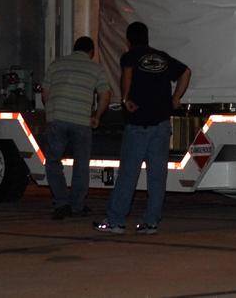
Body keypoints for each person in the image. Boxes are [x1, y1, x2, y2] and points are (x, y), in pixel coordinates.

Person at [95, 21, 190, 236]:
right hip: (162, 125)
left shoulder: (130, 56)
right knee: (157, 176)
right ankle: (151, 223)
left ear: (128, 41)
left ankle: (116, 221)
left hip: (138, 124)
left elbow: (127, 74)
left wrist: (126, 98)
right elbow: (186, 72)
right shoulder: (162, 57)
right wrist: (176, 98)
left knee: (129, 173)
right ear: (147, 38)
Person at [42, 36, 112, 219]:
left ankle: (61, 203)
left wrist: (52, 111)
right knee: (81, 164)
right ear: (91, 52)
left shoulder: (56, 64)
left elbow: (45, 94)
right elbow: (105, 94)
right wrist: (96, 116)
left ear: (74, 49)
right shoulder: (95, 68)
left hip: (57, 118)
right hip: (82, 121)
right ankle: (77, 206)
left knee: (53, 161)